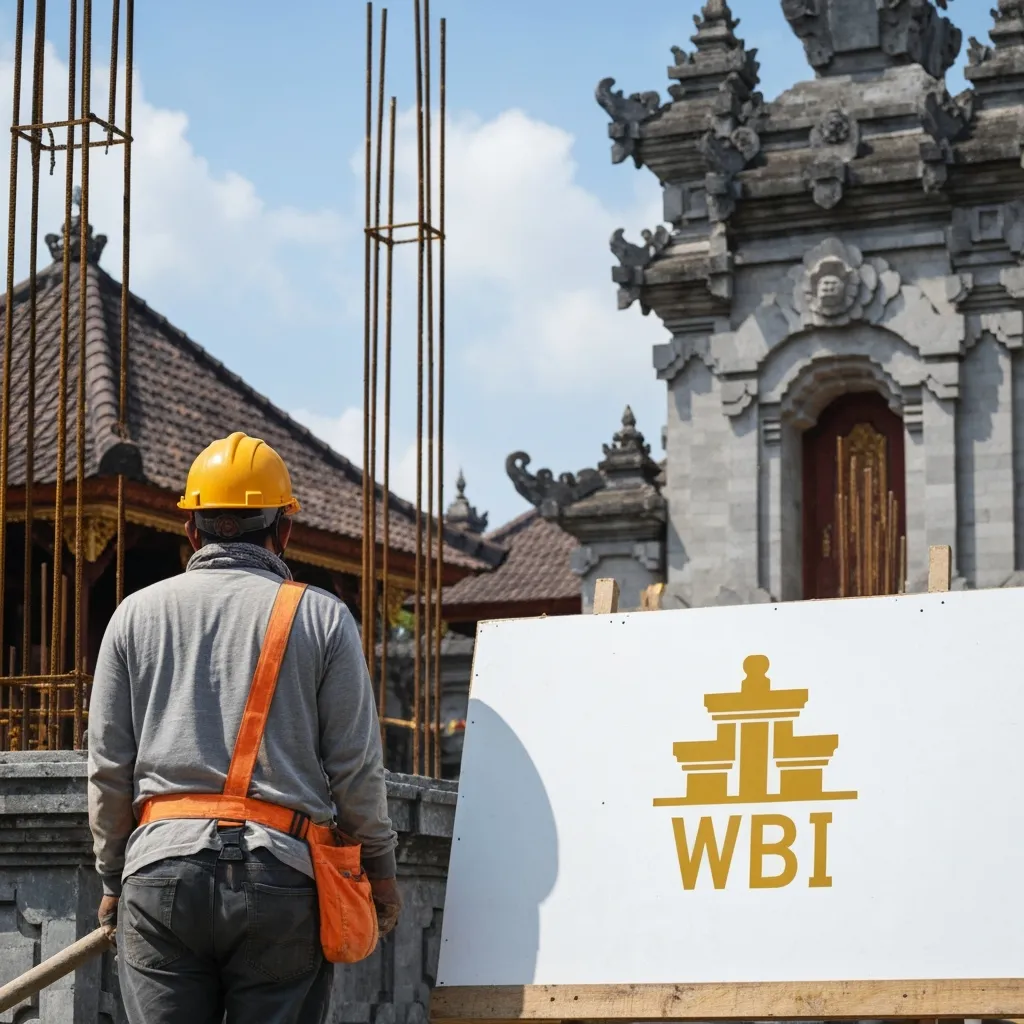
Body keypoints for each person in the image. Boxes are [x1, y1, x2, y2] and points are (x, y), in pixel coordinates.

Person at [87, 431, 401, 1024]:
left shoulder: (133, 615)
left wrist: (112, 877)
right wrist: (378, 873)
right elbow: (356, 769)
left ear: (190, 530)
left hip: (158, 876)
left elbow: (107, 769)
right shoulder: (321, 616)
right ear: (283, 530)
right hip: (280, 878)